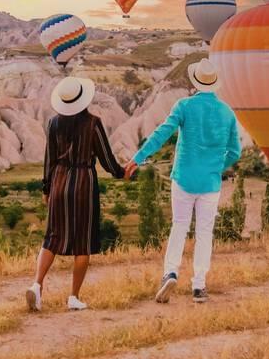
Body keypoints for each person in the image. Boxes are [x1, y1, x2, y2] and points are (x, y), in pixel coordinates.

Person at [125, 58, 241, 303]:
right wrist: (216, 166)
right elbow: (235, 152)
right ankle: (199, 286)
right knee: (204, 232)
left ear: (195, 82)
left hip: (184, 179)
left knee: (180, 225)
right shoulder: (227, 113)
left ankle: (170, 272)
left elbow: (162, 133)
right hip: (210, 184)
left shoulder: (184, 106)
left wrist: (138, 157)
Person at [27, 76, 128, 312]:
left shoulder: (53, 124)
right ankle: (73, 297)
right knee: (83, 242)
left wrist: (46, 188)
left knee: (52, 237)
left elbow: (49, 159)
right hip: (84, 183)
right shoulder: (93, 123)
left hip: (59, 182)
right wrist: (122, 173)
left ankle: (36, 286)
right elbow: (106, 158)